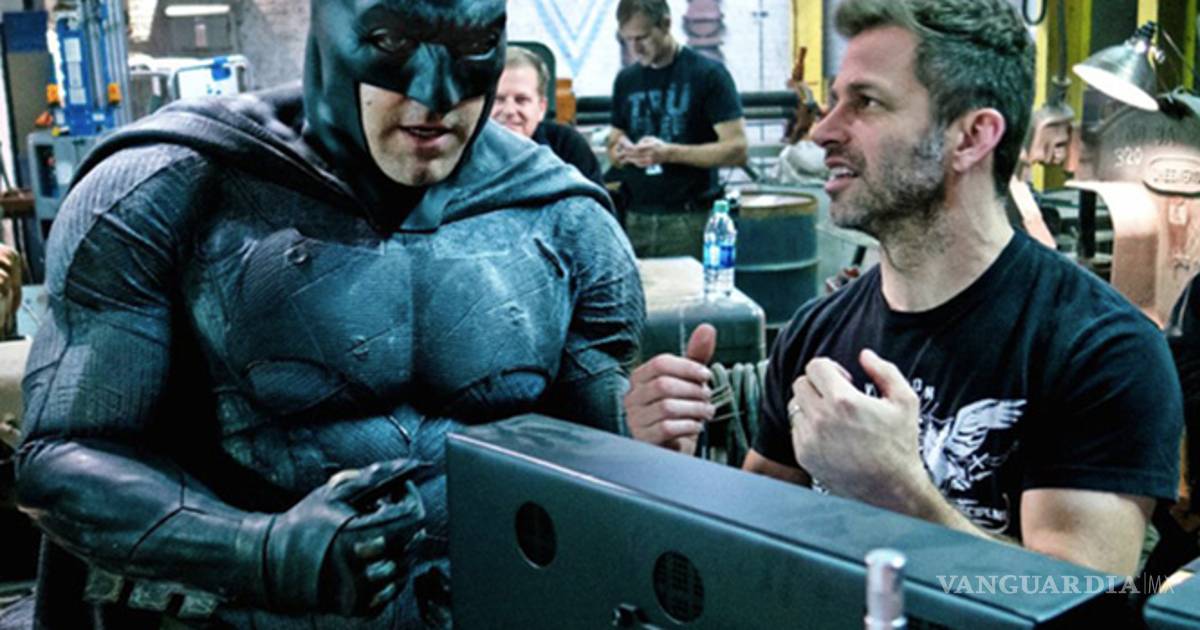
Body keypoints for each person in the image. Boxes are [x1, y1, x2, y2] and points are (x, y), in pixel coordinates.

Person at [11, 0, 644, 627]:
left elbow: (601, 480)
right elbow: (61, 458)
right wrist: (257, 552)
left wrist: (654, 437)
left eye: (474, 47)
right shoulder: (169, 186)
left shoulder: (565, 219)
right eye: (394, 43)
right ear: (327, 29)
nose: (438, 94)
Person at [624, 0, 1182, 577]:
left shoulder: (1101, 349)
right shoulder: (814, 333)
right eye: (834, 100)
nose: (823, 130)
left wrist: (902, 492)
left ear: (971, 137)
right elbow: (754, 551)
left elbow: (1084, 605)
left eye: (865, 102)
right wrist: (671, 467)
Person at [607, 0, 748, 258]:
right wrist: (621, 150)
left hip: (689, 219)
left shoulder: (708, 75)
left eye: (642, 37)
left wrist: (668, 153)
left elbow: (737, 149)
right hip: (634, 218)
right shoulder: (626, 80)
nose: (635, 48)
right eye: (628, 39)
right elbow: (615, 138)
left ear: (666, 24)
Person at [491, 46, 605, 188]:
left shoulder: (566, 146)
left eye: (521, 100)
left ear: (541, 108)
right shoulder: (465, 150)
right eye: (498, 99)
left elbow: (594, 201)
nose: (509, 110)